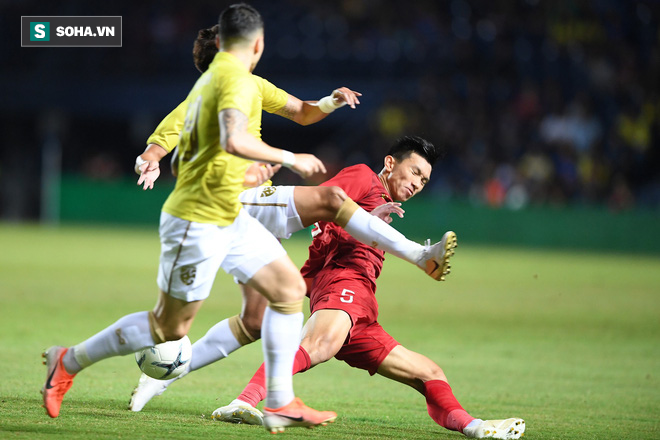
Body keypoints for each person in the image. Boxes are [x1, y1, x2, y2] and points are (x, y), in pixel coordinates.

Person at [42, 4, 341, 433]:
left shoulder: (215, 79)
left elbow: (197, 141)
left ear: (220, 42)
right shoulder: (234, 80)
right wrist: (290, 157)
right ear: (258, 44)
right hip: (197, 221)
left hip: (228, 213)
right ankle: (67, 360)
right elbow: (235, 139)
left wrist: (162, 155)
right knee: (168, 327)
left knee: (289, 290)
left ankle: (279, 401)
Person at [127, 25, 457, 414]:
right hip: (237, 198)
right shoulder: (213, 90)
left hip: (248, 214)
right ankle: (421, 256)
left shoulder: (253, 86)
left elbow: (301, 111)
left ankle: (161, 377)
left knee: (254, 320)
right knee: (332, 199)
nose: (255, 50)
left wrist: (331, 102)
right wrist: (152, 155)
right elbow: (176, 122)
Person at [211, 136, 526, 439]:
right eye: (415, 172)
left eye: (425, 181)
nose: (418, 183)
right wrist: (362, 221)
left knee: (430, 373)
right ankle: (243, 401)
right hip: (343, 284)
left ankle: (476, 427)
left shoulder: (380, 203)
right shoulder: (364, 177)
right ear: (390, 163)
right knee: (317, 345)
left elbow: (333, 237)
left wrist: (364, 222)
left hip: (362, 311)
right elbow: (320, 205)